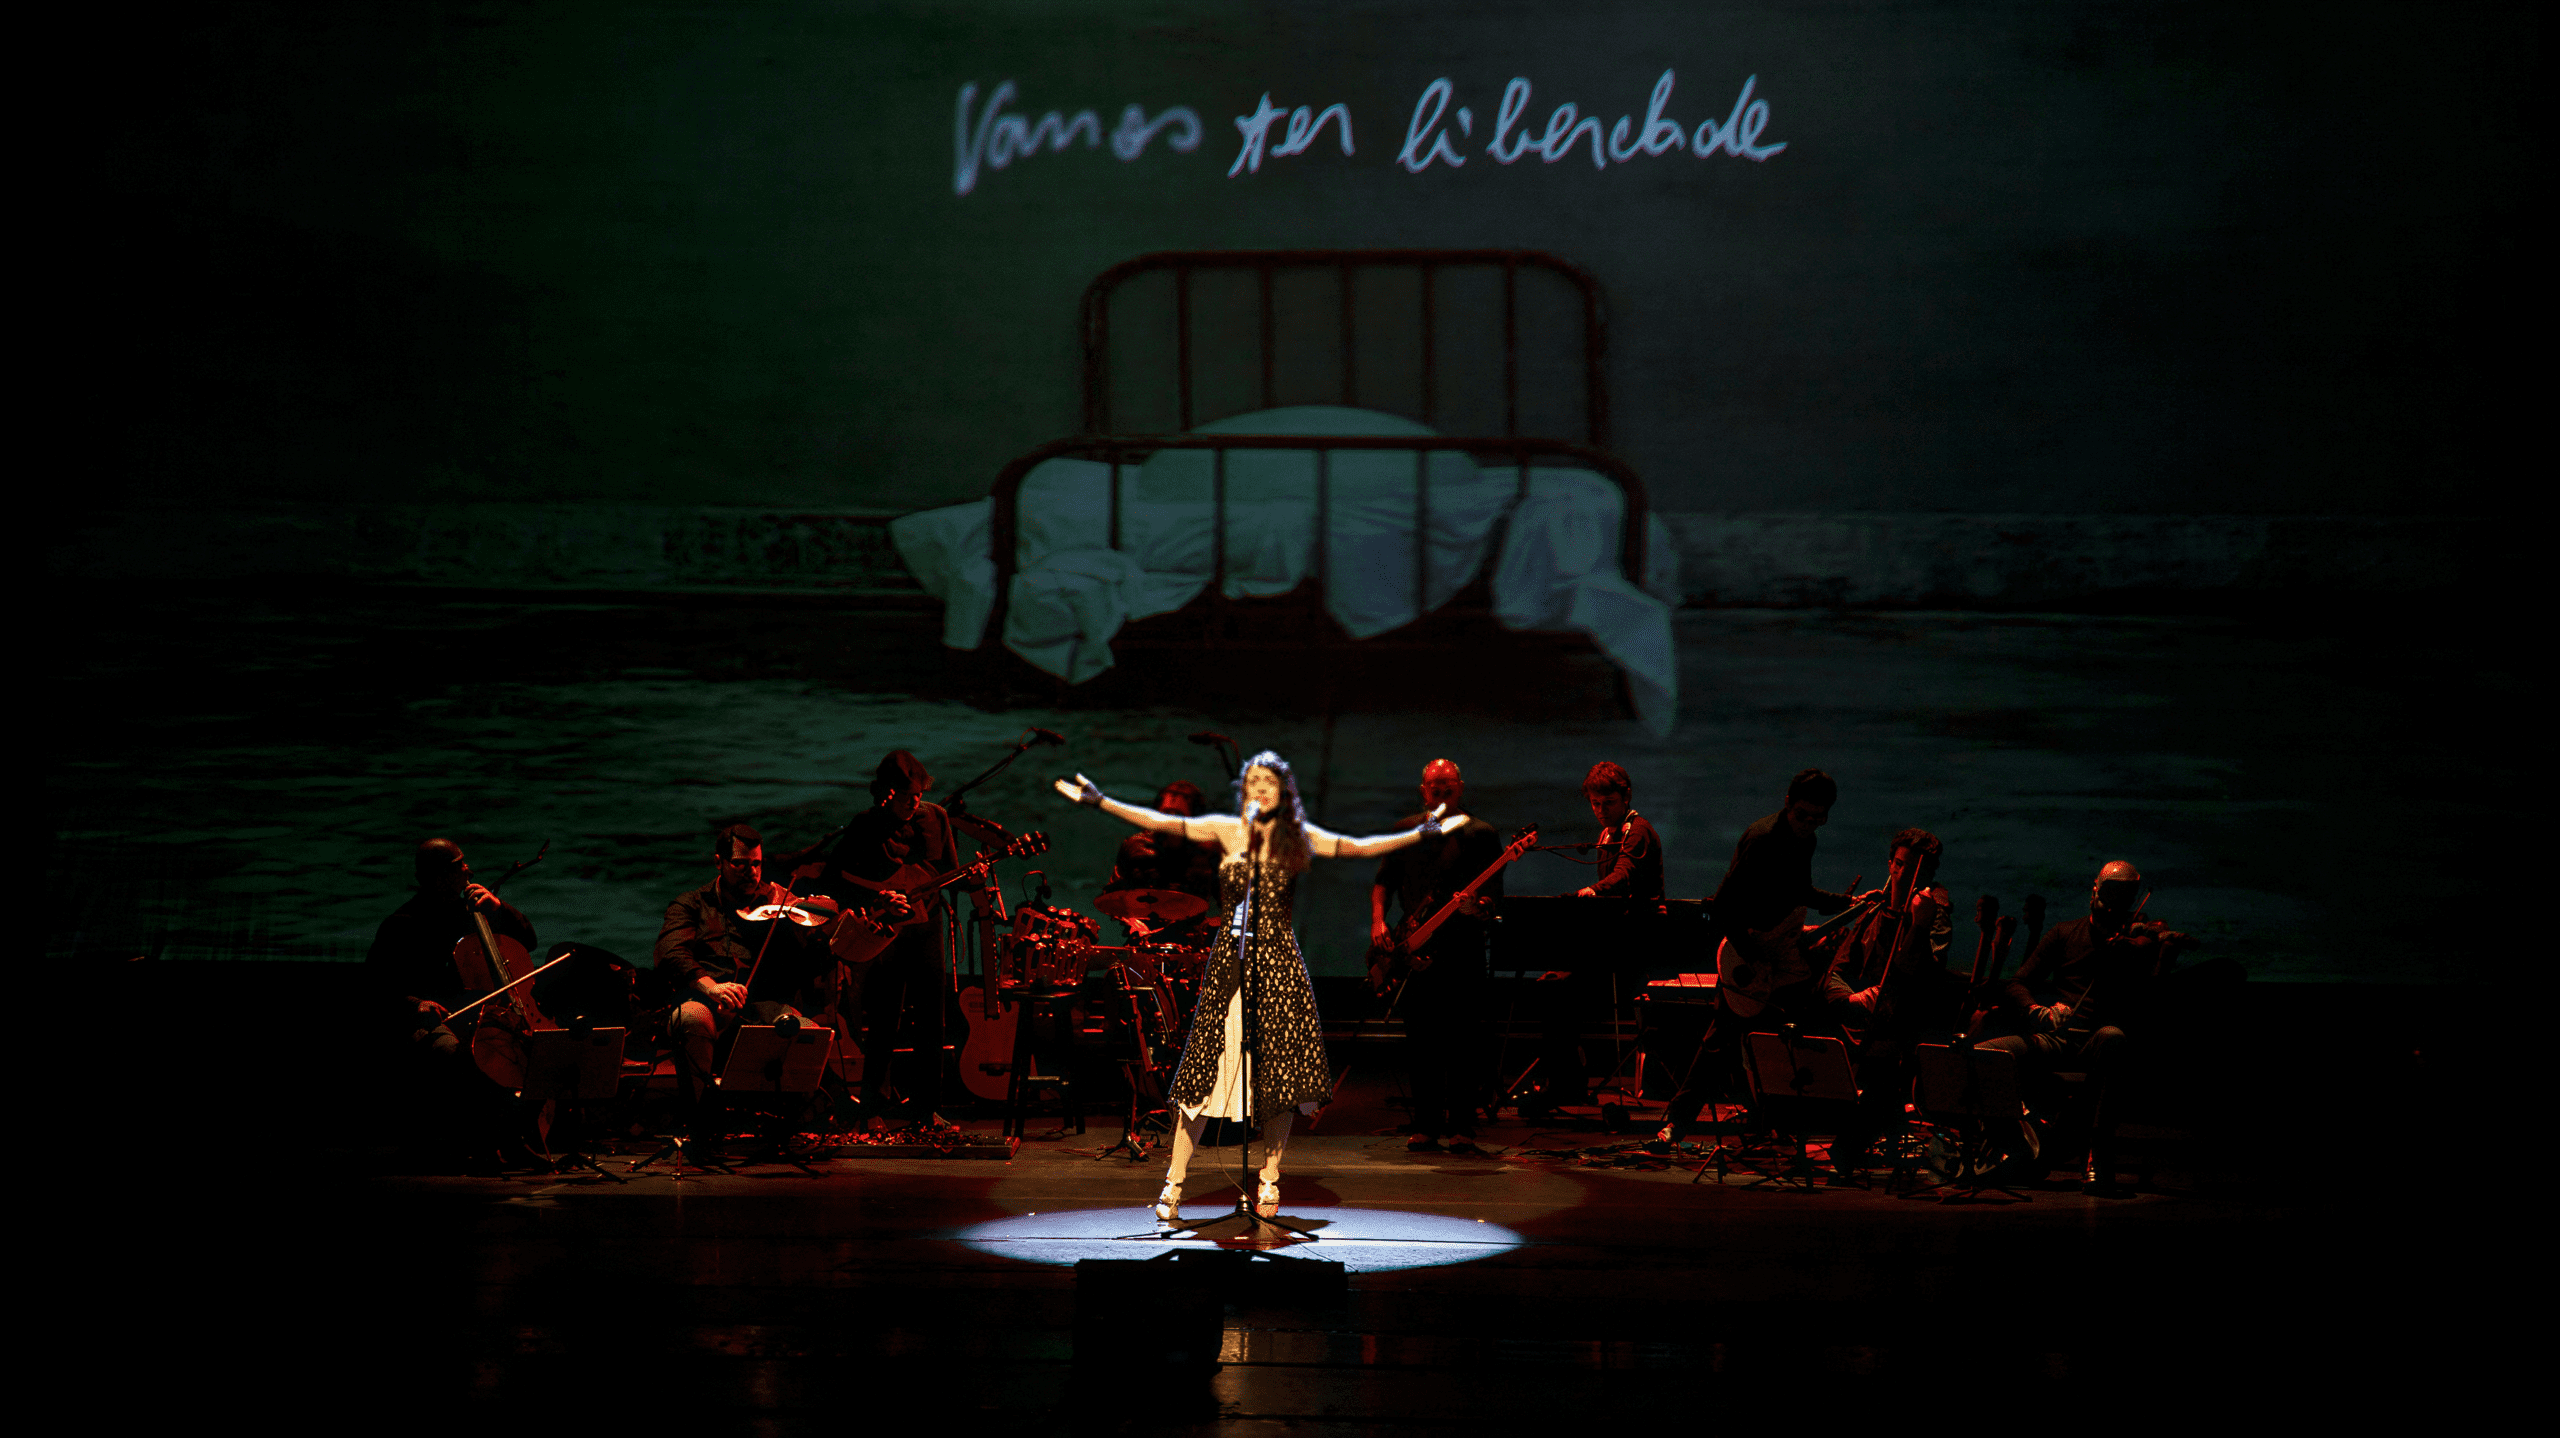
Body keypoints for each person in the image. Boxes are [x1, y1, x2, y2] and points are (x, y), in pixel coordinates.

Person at [1057, 751, 1462, 1223]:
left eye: (1269, 782)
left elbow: (1359, 846)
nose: (1260, 789)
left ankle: (1269, 1177)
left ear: (1283, 791)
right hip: (1230, 961)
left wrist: (1419, 833)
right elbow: (1161, 822)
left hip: (1278, 962)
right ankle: (1174, 1181)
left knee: (1277, 1079)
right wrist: (1101, 801)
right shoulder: (1227, 830)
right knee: (1203, 1074)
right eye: (1253, 782)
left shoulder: (1297, 838)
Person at [1655, 770, 1860, 1153]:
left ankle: (1772, 1123)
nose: (1809, 825)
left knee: (1781, 1038)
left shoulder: (1807, 840)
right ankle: (1674, 1126)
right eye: (1803, 816)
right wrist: (1752, 959)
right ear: (1787, 803)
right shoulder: (1762, 839)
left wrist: (1847, 903)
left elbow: (1798, 891)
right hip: (1749, 950)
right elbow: (1723, 906)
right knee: (1720, 1042)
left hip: (1780, 951)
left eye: (1818, 819)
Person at [1976, 860, 2190, 1195]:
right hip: (2058, 1039)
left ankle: (2096, 1155)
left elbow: (2152, 1002)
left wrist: (2156, 957)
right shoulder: (2064, 933)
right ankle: (2014, 1140)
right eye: (2106, 891)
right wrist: (2037, 1011)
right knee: (1983, 1053)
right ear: (2095, 888)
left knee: (2112, 1037)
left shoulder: (2137, 943)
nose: (2108, 902)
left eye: (2120, 896)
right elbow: (2018, 983)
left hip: (2099, 1042)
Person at [823, 750, 992, 1127]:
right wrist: (877, 901)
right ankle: (873, 1108)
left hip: (927, 928)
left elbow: (951, 875)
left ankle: (926, 1108)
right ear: (885, 794)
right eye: (904, 797)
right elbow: (836, 881)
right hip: (883, 933)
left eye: (917, 796)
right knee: (884, 1021)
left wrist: (974, 879)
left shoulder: (937, 817)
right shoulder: (865, 825)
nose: (913, 803)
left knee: (932, 1021)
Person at [655, 822, 830, 1151]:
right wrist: (711, 987)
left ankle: (785, 1125)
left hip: (761, 1004)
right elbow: (670, 953)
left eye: (756, 864)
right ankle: (701, 1127)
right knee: (691, 1018)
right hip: (706, 1000)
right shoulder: (692, 903)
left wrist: (828, 934)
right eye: (740, 864)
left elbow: (815, 956)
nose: (751, 872)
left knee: (808, 1032)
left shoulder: (780, 900)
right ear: (718, 862)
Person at [364, 838, 538, 1165]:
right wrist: (416, 1003)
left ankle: (515, 1137)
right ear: (441, 876)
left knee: (529, 1048)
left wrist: (500, 909)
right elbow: (376, 985)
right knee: (454, 1053)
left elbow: (528, 941)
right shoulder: (403, 924)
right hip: (429, 1021)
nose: (468, 870)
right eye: (460, 865)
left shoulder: (472, 913)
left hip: (475, 1013)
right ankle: (478, 1143)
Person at [1371, 758, 1503, 1154]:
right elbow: (1383, 882)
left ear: (1460, 788)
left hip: (1463, 951)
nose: (1442, 790)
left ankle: (1462, 1127)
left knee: (1463, 1042)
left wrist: (1476, 907)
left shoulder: (1482, 834)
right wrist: (1378, 922)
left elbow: (1494, 897)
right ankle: (1426, 1125)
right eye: (1434, 785)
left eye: (1448, 784)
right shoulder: (1405, 831)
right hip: (1414, 950)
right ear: (1423, 791)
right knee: (1422, 1042)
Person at [1100, 780, 1222, 943]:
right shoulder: (1135, 846)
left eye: (1178, 815)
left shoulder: (1209, 853)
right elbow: (1113, 897)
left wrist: (1214, 923)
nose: (1170, 821)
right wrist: (1133, 923)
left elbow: (1230, 902)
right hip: (1143, 940)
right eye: (1165, 813)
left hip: (1193, 942)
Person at [1574, 762, 1662, 900]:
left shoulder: (1638, 829)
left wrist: (1593, 890)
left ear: (1626, 797)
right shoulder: (1605, 835)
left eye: (1609, 802)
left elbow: (1623, 872)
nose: (1601, 810)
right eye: (1596, 803)